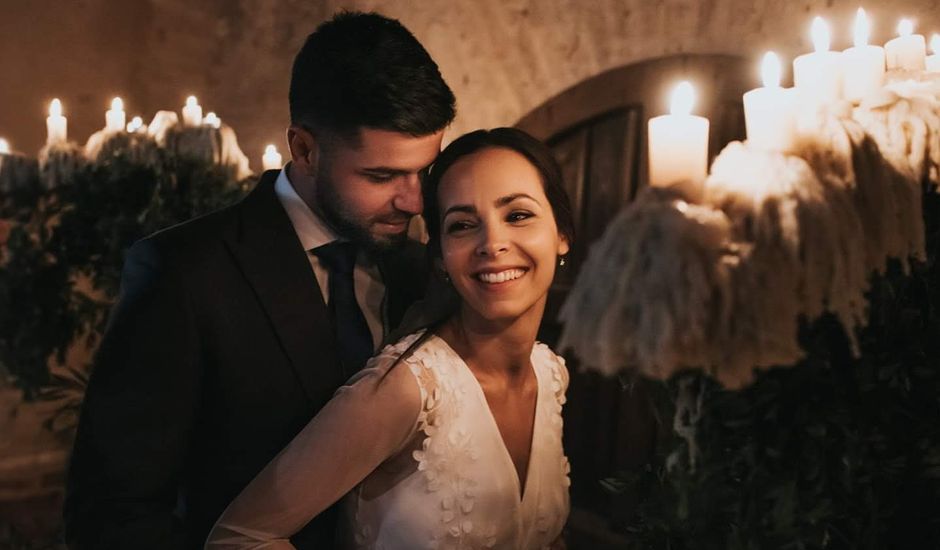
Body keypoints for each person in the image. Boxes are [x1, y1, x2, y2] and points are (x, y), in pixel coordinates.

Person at [64, 11, 456, 550]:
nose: (413, 202)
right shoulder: (182, 273)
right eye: (382, 176)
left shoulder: (420, 271)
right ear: (304, 149)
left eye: (424, 172)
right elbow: (113, 511)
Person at [205, 127, 575, 549]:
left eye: (518, 215)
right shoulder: (408, 388)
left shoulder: (550, 374)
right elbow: (240, 537)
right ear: (440, 258)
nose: (492, 243)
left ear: (562, 233)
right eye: (463, 225)